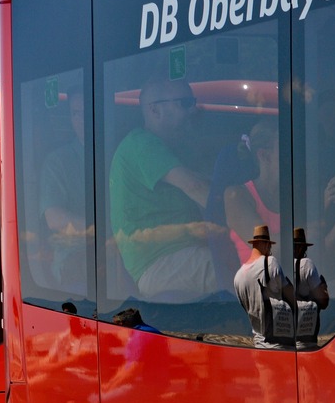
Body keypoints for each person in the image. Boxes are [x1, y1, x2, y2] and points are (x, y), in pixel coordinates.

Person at [110, 77, 222, 301]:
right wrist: (248, 217)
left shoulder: (169, 149)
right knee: (251, 272)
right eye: (185, 102)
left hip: (177, 257)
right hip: (162, 263)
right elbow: (197, 187)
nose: (193, 110)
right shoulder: (143, 143)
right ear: (154, 110)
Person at [39, 85, 89, 292]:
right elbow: (54, 219)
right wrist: (103, 230)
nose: (82, 119)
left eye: (87, 112)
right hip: (76, 263)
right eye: (75, 113)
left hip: (120, 255)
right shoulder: (58, 161)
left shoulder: (117, 152)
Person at [226, 119, 282, 263]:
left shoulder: (296, 194)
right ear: (264, 156)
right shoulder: (236, 196)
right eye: (288, 148)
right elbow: (268, 248)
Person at [233, 225, 297, 349]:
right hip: (280, 344)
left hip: (259, 345)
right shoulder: (270, 263)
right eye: (270, 245)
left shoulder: (238, 276)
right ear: (265, 244)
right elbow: (291, 296)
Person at [293, 227, 329, 345]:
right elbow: (323, 302)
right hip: (306, 338)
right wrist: (323, 287)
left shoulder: (278, 265)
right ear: (302, 247)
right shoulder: (306, 264)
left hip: (287, 334)